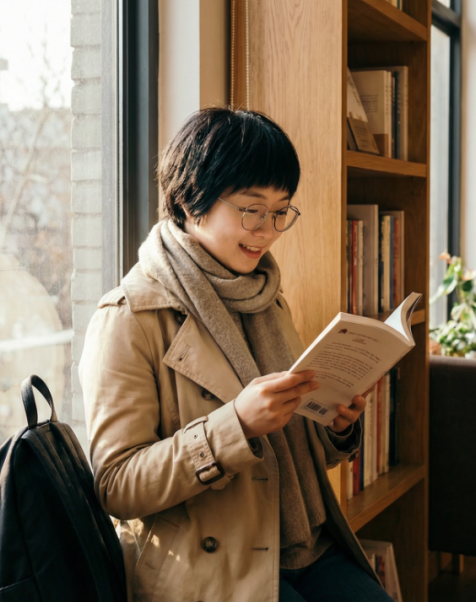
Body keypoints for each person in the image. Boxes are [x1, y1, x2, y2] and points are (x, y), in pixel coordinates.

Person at [79, 107, 395, 602]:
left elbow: (288, 452)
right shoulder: (128, 316)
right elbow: (117, 485)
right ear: (190, 200)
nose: (267, 230)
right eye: (251, 209)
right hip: (212, 570)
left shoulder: (265, 295)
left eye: (280, 210)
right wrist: (236, 426)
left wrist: (336, 425)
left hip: (307, 544)